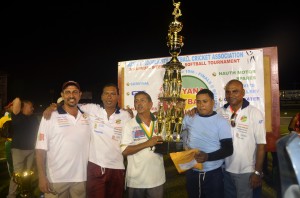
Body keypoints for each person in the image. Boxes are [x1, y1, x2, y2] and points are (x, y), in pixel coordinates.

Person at [43, 82, 133, 198]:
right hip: (95, 166)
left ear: (118, 96)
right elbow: (70, 103)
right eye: (106, 93)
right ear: (101, 96)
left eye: (113, 94)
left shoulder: (126, 115)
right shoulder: (91, 109)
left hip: (117, 167)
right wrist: (53, 106)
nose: (109, 97)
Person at [35, 81, 91, 197]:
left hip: (81, 178)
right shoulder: (49, 116)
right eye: (68, 92)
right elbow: (40, 150)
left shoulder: (88, 115)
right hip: (56, 179)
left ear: (80, 94)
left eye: (75, 92)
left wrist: (127, 112)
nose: (71, 95)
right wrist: (41, 176)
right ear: (62, 95)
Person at [216, 79, 266, 198]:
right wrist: (195, 111)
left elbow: (261, 145)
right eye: (228, 92)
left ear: (243, 92)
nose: (231, 95)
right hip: (225, 170)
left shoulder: (254, 113)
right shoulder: (219, 112)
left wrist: (257, 172)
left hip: (246, 171)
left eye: (235, 91)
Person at [182, 89, 233, 198]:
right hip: (192, 171)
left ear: (213, 102)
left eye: (205, 101)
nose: (201, 105)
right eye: (198, 102)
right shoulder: (189, 117)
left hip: (213, 173)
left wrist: (207, 157)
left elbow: (228, 149)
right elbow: (173, 132)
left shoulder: (221, 122)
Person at [120, 91, 165, 198]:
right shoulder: (129, 124)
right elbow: (125, 151)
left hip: (157, 178)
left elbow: (166, 143)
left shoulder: (161, 123)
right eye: (136, 101)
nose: (139, 103)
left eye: (142, 100)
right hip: (136, 180)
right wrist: (147, 143)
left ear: (150, 104)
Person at [7, 97, 39, 198]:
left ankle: (24, 191)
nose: (32, 109)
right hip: (18, 149)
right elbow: (16, 100)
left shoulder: (34, 118)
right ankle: (11, 195)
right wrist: (19, 101)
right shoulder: (17, 115)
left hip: (31, 149)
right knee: (17, 174)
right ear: (23, 107)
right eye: (30, 107)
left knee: (28, 174)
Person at [0, 102, 14, 177]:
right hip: (9, 142)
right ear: (9, 108)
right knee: (10, 161)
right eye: (12, 106)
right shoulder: (3, 119)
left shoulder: (19, 117)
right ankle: (12, 177)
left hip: (18, 143)